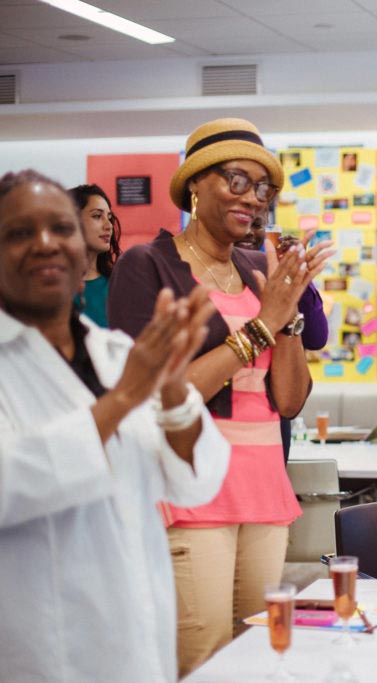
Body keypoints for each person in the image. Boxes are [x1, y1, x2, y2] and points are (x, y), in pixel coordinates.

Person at [107, 118, 331, 676]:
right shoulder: (148, 266)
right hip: (188, 485)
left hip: (262, 483)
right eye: (236, 180)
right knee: (202, 656)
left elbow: (289, 399)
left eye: (263, 189)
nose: (252, 199)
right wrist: (264, 323)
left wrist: (291, 321)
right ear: (195, 184)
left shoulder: (261, 269)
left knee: (259, 655)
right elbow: (160, 395)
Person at [0, 170, 229, 681]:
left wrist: (171, 387)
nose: (45, 244)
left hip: (137, 638)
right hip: (42, 650)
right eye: (18, 232)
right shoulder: (124, 372)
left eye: (61, 228)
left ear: (84, 250)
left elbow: (197, 479)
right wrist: (124, 398)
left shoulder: (119, 353)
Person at [237, 209, 329, 460]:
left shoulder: (277, 276)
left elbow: (317, 337)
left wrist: (299, 276)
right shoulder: (221, 278)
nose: (249, 232)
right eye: (242, 222)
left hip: (276, 409)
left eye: (258, 225)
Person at [69, 183, 121, 327]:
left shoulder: (120, 285)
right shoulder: (50, 288)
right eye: (97, 216)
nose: (108, 225)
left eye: (109, 217)